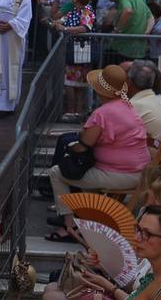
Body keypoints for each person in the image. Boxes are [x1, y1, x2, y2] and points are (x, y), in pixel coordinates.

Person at [46, 65, 150, 243]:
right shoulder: (127, 105)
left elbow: (84, 144)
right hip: (138, 171)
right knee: (86, 179)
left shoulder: (103, 113)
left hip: (120, 174)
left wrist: (73, 144)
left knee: (56, 172)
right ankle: (87, 220)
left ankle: (69, 225)